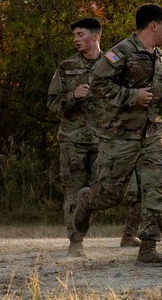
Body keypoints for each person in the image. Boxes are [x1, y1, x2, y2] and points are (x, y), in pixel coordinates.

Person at [73, 4, 162, 266]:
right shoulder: (121, 52)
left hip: (153, 133)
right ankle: (86, 201)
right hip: (120, 135)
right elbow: (98, 84)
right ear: (153, 26)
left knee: (157, 182)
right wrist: (132, 96)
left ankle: (148, 249)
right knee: (109, 194)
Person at [47, 17, 141, 257]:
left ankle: (130, 235)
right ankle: (76, 243)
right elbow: (52, 104)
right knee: (74, 191)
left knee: (130, 188)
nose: (76, 39)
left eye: (80, 34)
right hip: (73, 140)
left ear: (95, 36)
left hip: (107, 140)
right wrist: (73, 96)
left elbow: (127, 96)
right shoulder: (66, 68)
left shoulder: (114, 64)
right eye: (75, 35)